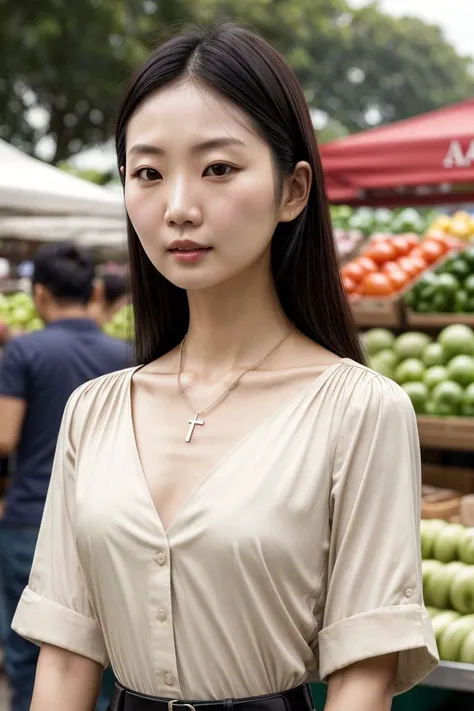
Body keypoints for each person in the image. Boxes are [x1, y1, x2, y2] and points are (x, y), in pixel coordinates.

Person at [13, 23, 437, 711]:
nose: (178, 206)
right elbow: (63, 661)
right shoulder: (94, 410)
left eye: (217, 168)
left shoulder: (359, 409)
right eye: (148, 172)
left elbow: (363, 679)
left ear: (293, 190)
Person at [0, 242, 130, 711]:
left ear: (38, 295)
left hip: (30, 519)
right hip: (103, 524)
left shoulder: (23, 352)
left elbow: (4, 438)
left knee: (28, 656)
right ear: (94, 290)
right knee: (97, 658)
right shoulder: (125, 355)